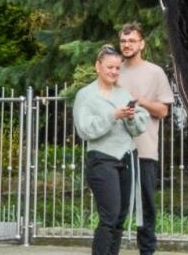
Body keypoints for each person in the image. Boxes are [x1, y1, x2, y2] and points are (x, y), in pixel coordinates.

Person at [74, 44, 149, 255]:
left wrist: (132, 116)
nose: (114, 72)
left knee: (119, 219)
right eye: (109, 67)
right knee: (109, 217)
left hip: (126, 159)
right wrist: (113, 115)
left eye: (117, 68)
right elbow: (85, 129)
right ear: (98, 66)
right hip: (102, 160)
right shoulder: (85, 95)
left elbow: (139, 126)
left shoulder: (123, 93)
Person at [117, 22, 175, 255]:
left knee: (146, 208)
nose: (127, 45)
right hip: (115, 151)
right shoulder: (113, 70)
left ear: (141, 43)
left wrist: (141, 101)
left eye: (131, 41)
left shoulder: (155, 72)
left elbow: (163, 111)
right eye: (123, 41)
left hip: (144, 152)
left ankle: (147, 252)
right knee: (115, 209)